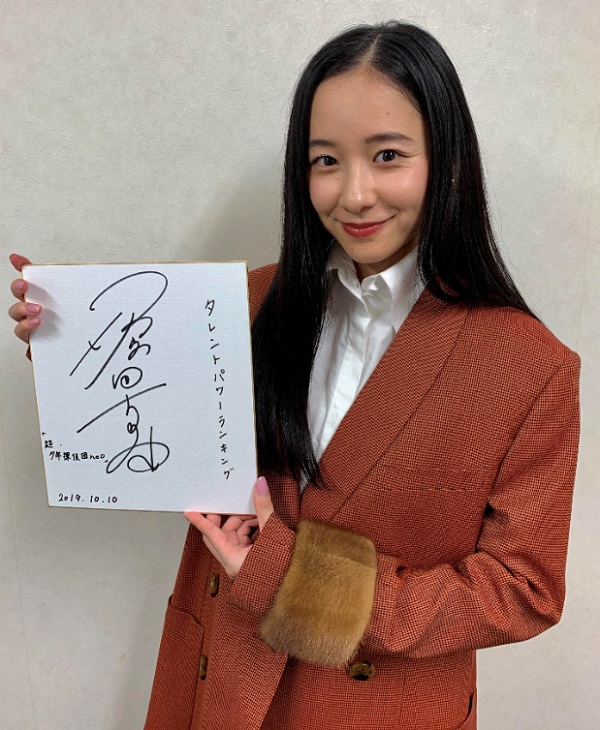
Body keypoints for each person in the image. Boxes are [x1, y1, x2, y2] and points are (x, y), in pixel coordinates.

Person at [8, 21, 580, 730]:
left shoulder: (529, 367)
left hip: (371, 707)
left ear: (449, 160)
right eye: (326, 161)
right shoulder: (246, 303)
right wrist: (73, 343)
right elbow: (161, 419)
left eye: (388, 155)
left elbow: (522, 589)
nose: (355, 194)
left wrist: (295, 580)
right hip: (224, 675)